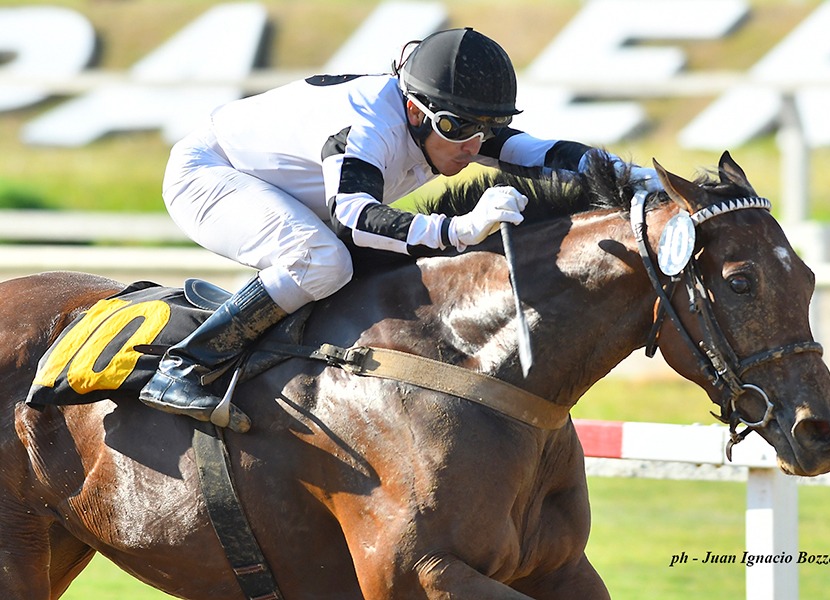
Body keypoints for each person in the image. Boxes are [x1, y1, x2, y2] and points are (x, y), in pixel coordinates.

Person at [139, 27, 661, 432]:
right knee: (323, 261)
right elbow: (354, 219)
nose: (473, 146)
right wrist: (458, 229)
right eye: (457, 128)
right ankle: (184, 366)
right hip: (210, 174)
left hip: (284, 187)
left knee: (340, 266)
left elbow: (537, 151)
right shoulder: (367, 126)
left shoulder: (442, 120)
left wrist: (629, 175)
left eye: (487, 129)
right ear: (414, 109)